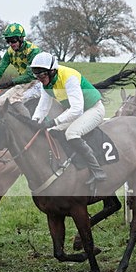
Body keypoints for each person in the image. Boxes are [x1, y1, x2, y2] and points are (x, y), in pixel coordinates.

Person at [29, 53, 106, 184]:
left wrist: (53, 121)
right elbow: (43, 107)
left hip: (94, 109)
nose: (39, 79)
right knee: (52, 131)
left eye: (41, 75)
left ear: (52, 71)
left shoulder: (69, 77)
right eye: (36, 76)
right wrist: (34, 122)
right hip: (78, 112)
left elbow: (77, 109)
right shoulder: (47, 85)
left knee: (72, 133)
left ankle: (97, 170)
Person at [0, 22, 42, 107]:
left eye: (13, 41)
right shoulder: (10, 52)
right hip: (23, 82)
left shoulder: (33, 51)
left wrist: (11, 82)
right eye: (8, 41)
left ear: (21, 38)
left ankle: (28, 121)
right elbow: (1, 67)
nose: (11, 44)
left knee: (13, 101)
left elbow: (30, 76)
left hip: (37, 82)